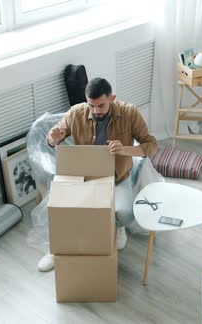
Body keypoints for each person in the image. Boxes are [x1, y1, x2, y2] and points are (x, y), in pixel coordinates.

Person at [37, 77, 158, 272]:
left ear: (112, 98)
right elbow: (51, 139)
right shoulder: (76, 113)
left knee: (126, 214)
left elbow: (151, 146)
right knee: (62, 211)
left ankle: (116, 228)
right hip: (84, 177)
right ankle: (56, 250)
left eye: (101, 106)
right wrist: (53, 138)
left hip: (117, 178)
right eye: (91, 106)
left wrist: (125, 149)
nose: (96, 111)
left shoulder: (129, 112)